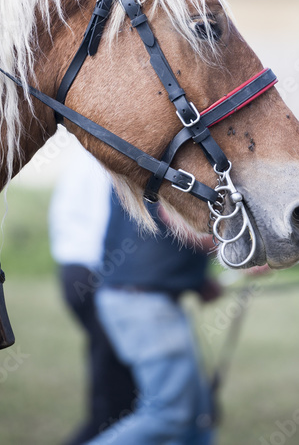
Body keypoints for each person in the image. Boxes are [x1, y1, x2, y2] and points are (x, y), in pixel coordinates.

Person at [87, 189, 221, 445]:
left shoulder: (145, 160)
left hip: (142, 298)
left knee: (197, 416)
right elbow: (178, 218)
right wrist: (243, 253)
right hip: (146, 305)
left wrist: (193, 280)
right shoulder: (176, 156)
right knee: (168, 416)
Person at [48, 143, 137, 445]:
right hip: (94, 273)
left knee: (117, 374)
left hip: (76, 270)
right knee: (115, 392)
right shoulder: (107, 159)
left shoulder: (87, 155)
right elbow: (114, 229)